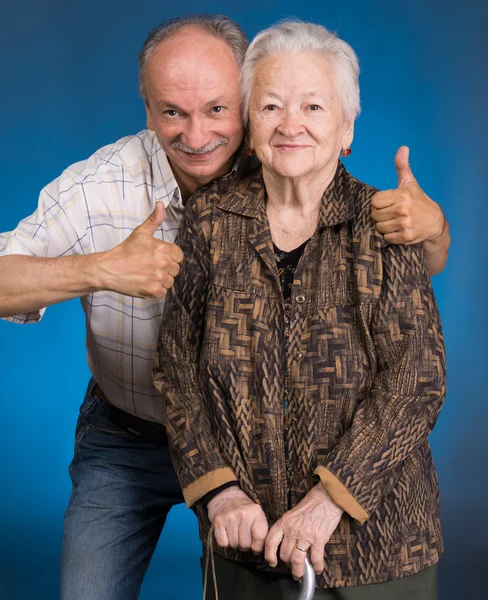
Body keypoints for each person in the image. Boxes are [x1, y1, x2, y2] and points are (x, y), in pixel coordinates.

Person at [0, 14, 448, 600]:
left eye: (217, 109)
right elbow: (179, 365)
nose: (197, 134)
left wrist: (433, 227)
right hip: (135, 434)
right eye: (172, 112)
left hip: (302, 479)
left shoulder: (335, 191)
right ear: (148, 110)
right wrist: (101, 268)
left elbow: (416, 364)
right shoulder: (121, 194)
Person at [153, 20, 447, 600]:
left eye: (314, 105)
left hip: (379, 549)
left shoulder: (383, 222)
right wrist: (220, 492)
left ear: (346, 128)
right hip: (246, 544)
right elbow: (176, 367)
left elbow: (418, 379)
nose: (291, 124)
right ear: (249, 125)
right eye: (270, 105)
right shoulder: (211, 223)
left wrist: (328, 499)